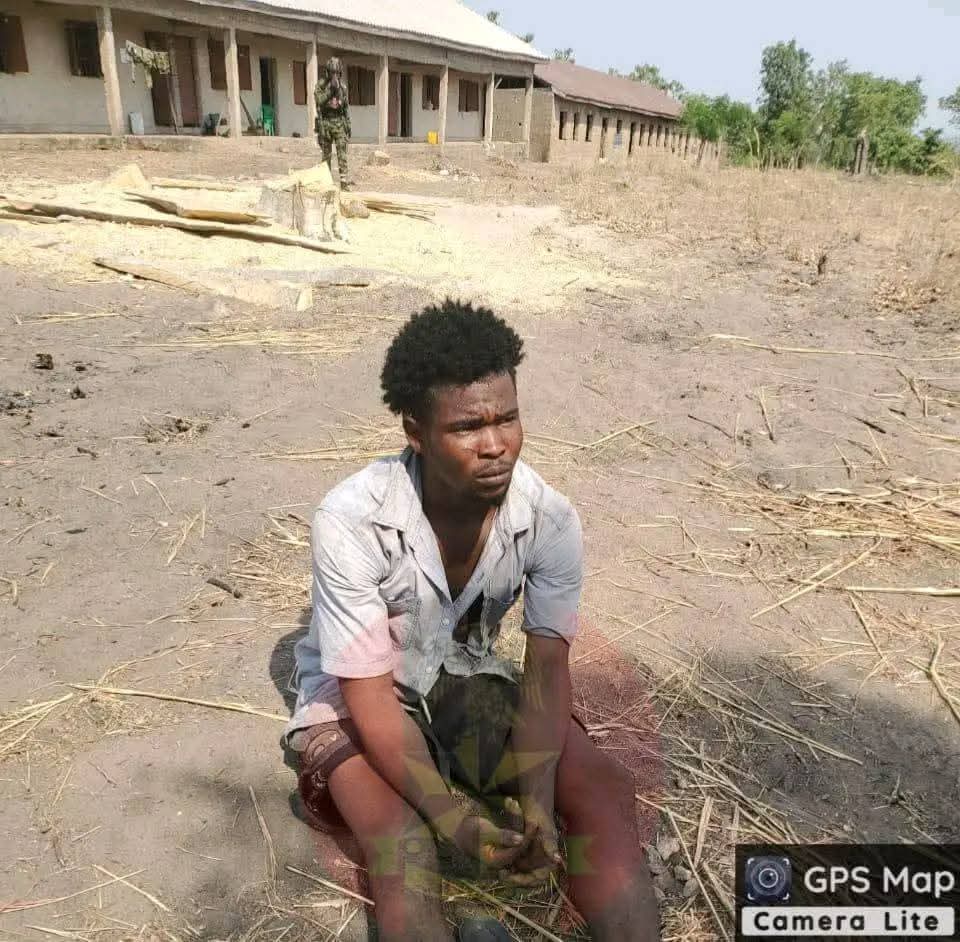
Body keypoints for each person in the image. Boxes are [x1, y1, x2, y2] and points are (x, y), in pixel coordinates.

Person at [285, 300, 659, 942]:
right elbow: (368, 695)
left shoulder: (549, 519)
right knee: (404, 844)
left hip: (463, 680)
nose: (495, 446)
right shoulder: (352, 520)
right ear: (416, 431)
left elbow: (546, 669)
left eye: (507, 418)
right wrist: (452, 820)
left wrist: (536, 798)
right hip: (358, 702)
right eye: (467, 427)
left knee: (600, 792)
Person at [315, 56, 351, 189]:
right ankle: (327, 183)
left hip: (339, 123)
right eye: (332, 72)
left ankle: (344, 183)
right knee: (326, 155)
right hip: (325, 123)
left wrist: (348, 126)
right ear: (327, 72)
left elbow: (346, 108)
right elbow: (319, 101)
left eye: (336, 72)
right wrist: (330, 91)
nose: (334, 75)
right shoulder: (321, 85)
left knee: (342, 153)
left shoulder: (343, 87)